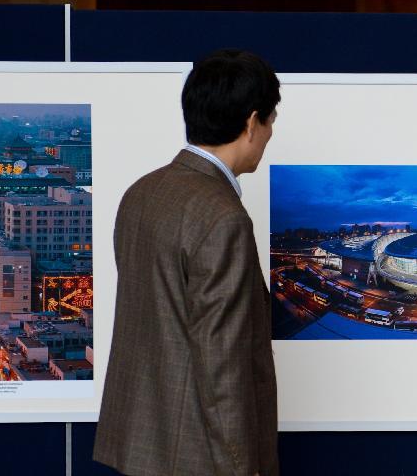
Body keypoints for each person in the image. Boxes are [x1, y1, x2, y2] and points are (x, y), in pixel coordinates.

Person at [94, 49, 281, 476]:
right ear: (252, 122)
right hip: (197, 457)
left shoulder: (141, 193)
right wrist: (242, 467)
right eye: (271, 122)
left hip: (139, 446)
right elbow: (224, 365)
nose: (270, 135)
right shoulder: (223, 218)